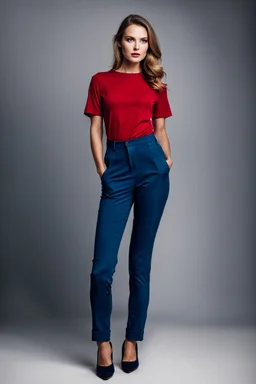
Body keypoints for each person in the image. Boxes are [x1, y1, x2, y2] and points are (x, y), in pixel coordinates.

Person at [83, 14, 173, 380]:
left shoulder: (156, 84)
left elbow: (162, 129)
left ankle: (132, 339)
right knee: (102, 267)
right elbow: (95, 128)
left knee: (140, 264)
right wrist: (103, 170)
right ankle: (102, 341)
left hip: (152, 167)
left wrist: (166, 161)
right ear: (119, 42)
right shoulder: (100, 81)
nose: (137, 47)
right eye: (131, 39)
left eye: (143, 41)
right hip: (117, 166)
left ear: (148, 46)